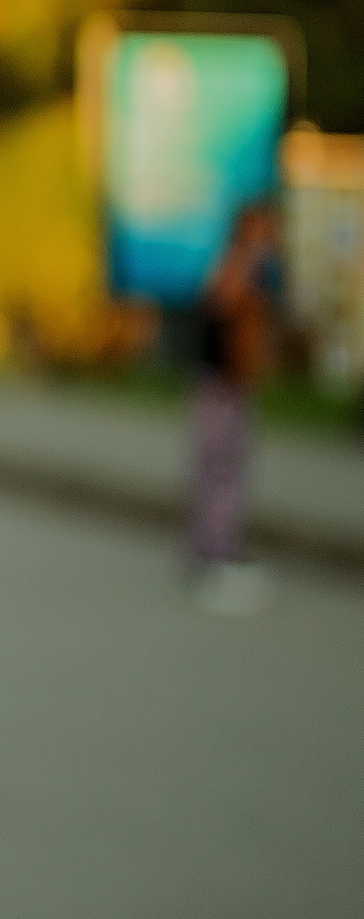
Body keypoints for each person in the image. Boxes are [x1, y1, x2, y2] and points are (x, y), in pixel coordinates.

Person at [187, 201, 280, 616]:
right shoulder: (235, 267)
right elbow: (219, 306)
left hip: (233, 385)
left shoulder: (249, 271)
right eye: (263, 230)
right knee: (220, 471)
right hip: (221, 386)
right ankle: (214, 555)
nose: (271, 238)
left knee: (226, 470)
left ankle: (217, 549)